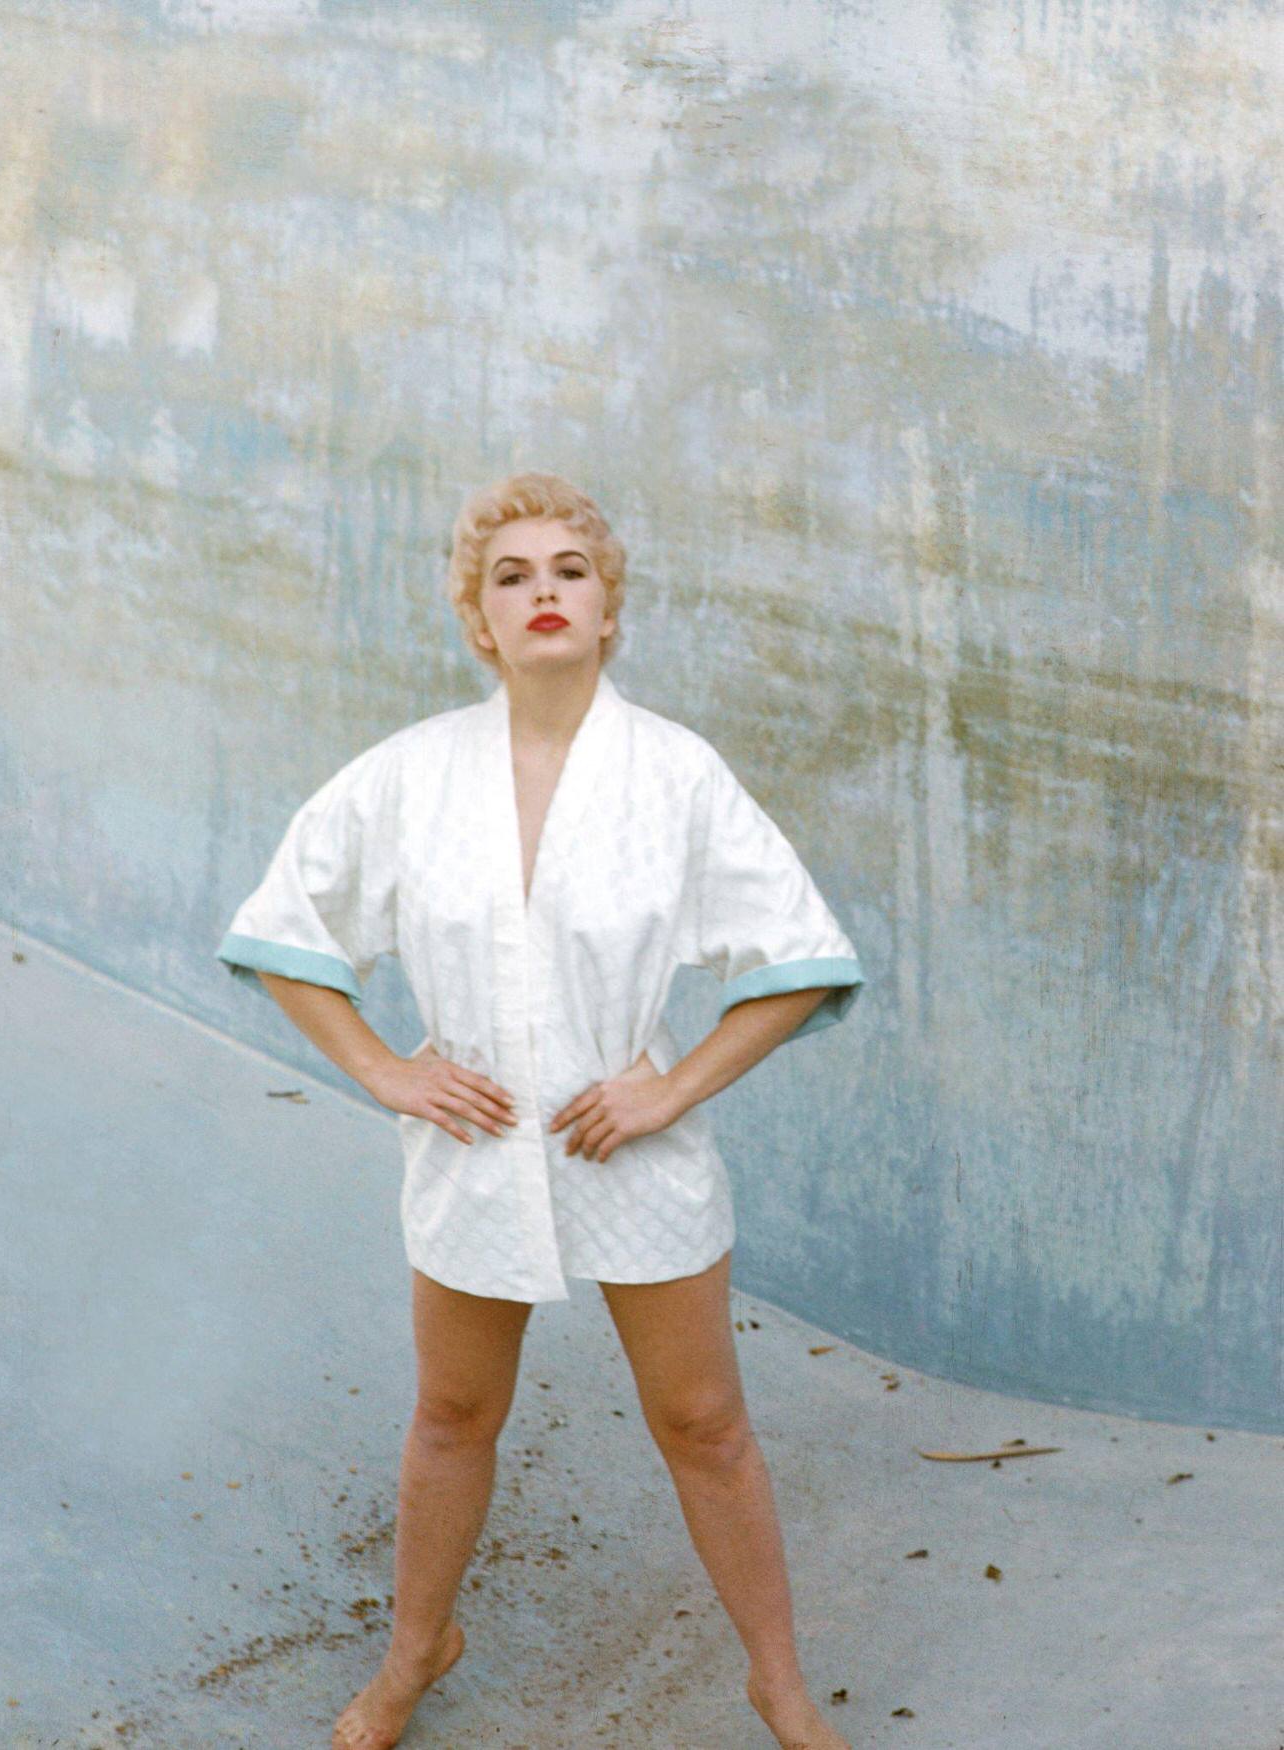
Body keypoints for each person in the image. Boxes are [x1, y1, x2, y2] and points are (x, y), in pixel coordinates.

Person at [216, 473, 865, 1749]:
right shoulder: (408, 777)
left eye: (569, 568)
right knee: (452, 1416)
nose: (543, 590)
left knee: (704, 1421)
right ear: (477, 623)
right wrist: (386, 1070)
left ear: (608, 610)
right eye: (509, 576)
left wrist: (668, 1087)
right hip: (471, 1142)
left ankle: (777, 1683)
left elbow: (796, 955)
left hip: (631, 1147)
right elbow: (284, 930)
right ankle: (416, 1650)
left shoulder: (674, 774)